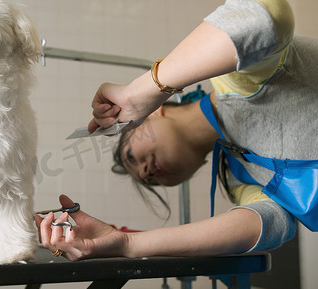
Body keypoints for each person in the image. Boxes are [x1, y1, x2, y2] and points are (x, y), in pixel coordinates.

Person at [35, 0, 318, 260]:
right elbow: (274, 226)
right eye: (149, 181)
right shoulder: (238, 181)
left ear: (155, 111)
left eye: (133, 156)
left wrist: (144, 90)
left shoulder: (236, 82)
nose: (146, 173)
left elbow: (265, 17)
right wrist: (127, 244)